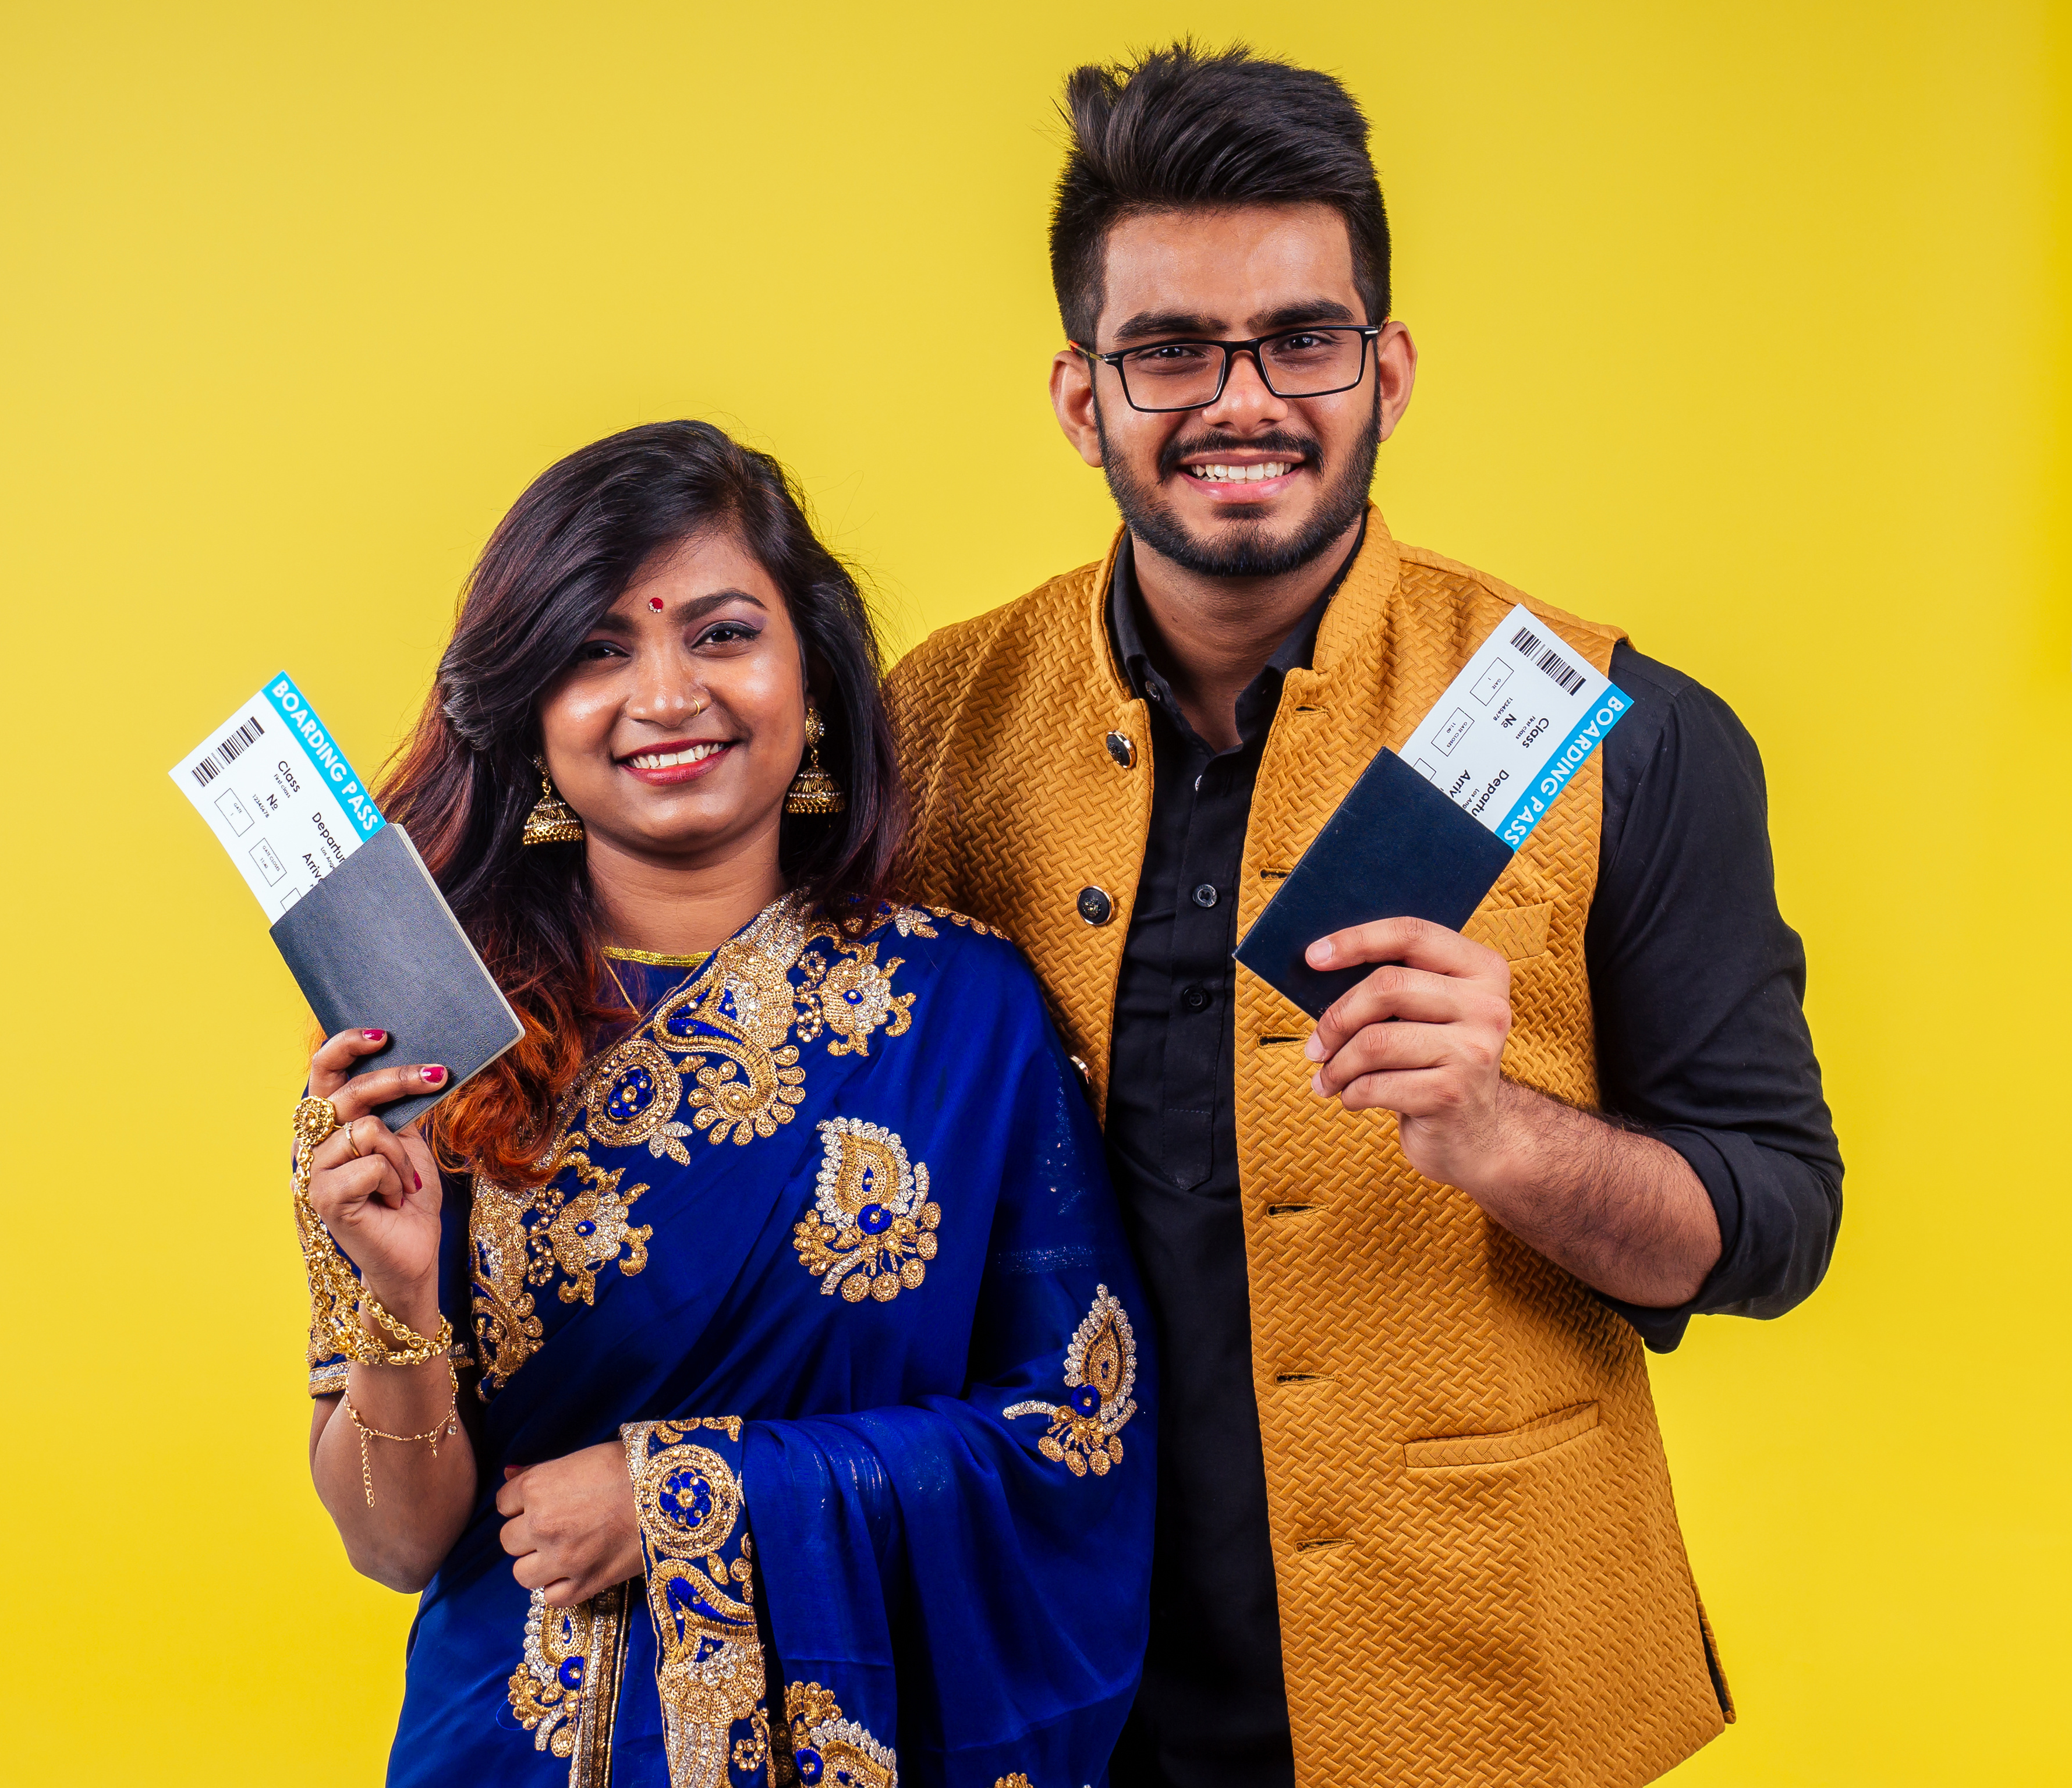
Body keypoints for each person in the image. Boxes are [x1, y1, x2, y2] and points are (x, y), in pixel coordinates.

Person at [885, 44, 1843, 1788]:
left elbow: (1775, 1223)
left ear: (1386, 370)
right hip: (1044, 1672)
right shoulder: (934, 724)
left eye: (1301, 340)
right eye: (1170, 349)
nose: (1239, 399)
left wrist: (1502, 1133)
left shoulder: (1617, 728)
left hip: (1486, 1684)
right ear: (1082, 398)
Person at [293, 420, 1156, 1786]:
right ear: (531, 714)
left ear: (811, 683)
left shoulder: (964, 1009)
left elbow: (1080, 1425)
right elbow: (397, 1545)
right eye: (597, 650)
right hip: (515, 1746)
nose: (666, 694)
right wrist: (396, 1300)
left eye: (722, 634)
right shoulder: (423, 1044)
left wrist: (686, 1493)